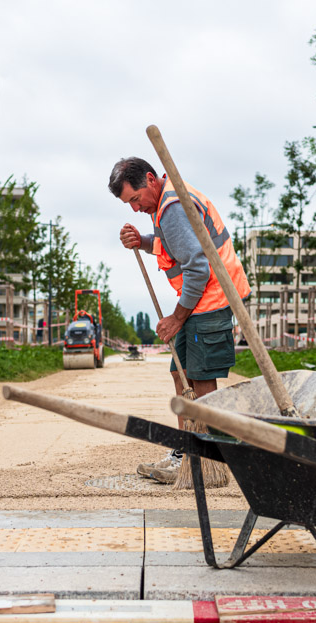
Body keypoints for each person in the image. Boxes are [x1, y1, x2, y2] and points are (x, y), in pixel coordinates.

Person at [108, 157, 251, 483]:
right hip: (199, 301)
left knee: (201, 382)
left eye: (134, 199)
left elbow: (198, 268)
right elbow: (172, 246)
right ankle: (186, 453)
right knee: (181, 374)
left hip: (210, 300)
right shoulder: (164, 203)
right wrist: (142, 241)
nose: (134, 208)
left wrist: (175, 318)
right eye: (127, 204)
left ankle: (206, 460)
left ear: (149, 179)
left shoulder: (171, 207)